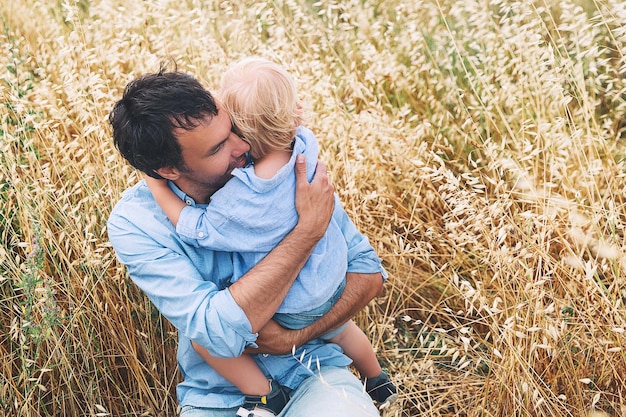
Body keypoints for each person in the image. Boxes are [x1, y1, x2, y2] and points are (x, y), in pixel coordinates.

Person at [107, 63, 386, 417]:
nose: (242, 146)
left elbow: (369, 274)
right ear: (167, 171)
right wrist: (306, 232)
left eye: (233, 129)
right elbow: (217, 334)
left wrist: (294, 338)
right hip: (219, 399)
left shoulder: (283, 170)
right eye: (218, 147)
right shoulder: (137, 223)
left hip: (314, 374)